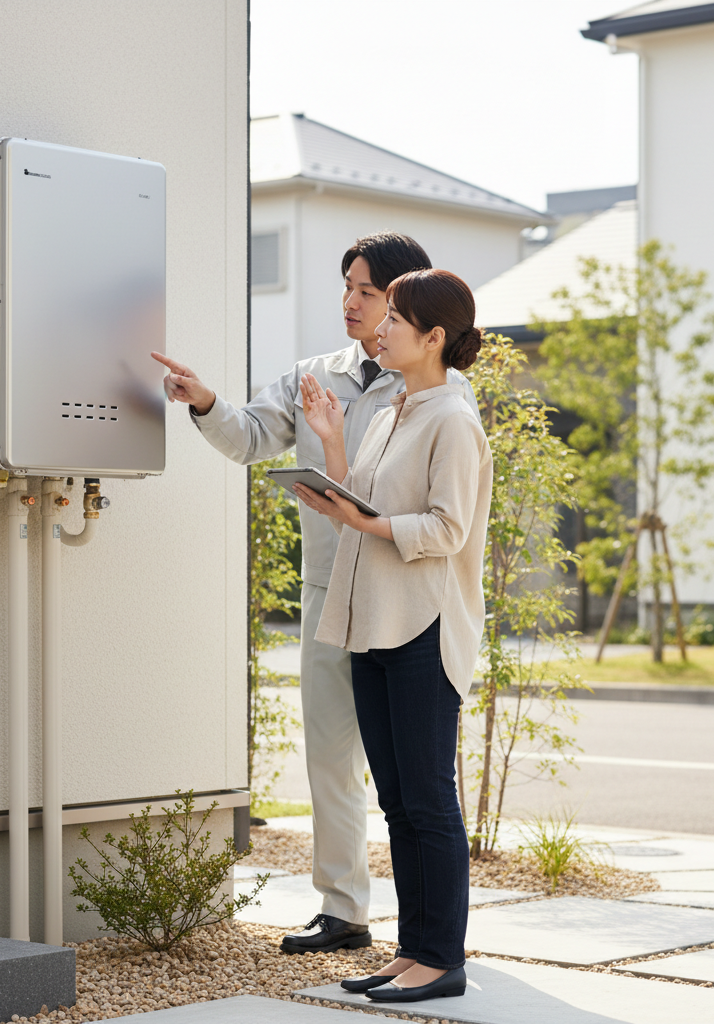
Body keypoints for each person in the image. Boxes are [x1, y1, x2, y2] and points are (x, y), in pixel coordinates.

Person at [152, 234, 480, 955]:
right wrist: (205, 400)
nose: (352, 302)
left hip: (407, 603)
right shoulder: (316, 377)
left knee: (416, 790)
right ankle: (345, 910)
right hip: (332, 593)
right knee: (334, 757)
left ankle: (430, 948)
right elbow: (247, 438)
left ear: (408, 309)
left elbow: (440, 516)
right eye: (348, 287)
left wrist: (357, 506)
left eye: (369, 292)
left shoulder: (436, 393)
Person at [292, 268, 491, 1003]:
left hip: (423, 627)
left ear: (433, 337)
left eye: (395, 318)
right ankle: (413, 952)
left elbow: (446, 528)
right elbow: (365, 503)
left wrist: (364, 522)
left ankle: (443, 958)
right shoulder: (394, 411)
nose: (379, 328)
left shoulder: (452, 420)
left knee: (430, 801)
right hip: (373, 626)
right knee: (399, 804)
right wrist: (331, 446)